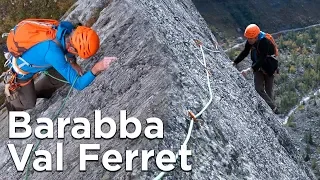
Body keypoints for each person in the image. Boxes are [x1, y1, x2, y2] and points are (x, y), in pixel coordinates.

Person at [3, 20, 117, 111]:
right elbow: (78, 84)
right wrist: (97, 68)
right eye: (76, 52)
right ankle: (12, 102)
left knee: (65, 75)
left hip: (42, 60)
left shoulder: (67, 28)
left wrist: (73, 63)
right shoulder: (53, 53)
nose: (75, 54)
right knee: (29, 103)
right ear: (72, 48)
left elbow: (68, 49)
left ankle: (37, 91)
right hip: (22, 73)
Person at [232, 24, 279, 114]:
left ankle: (272, 111)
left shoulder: (264, 42)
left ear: (256, 36)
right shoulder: (250, 41)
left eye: (251, 38)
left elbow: (262, 58)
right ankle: (273, 108)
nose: (249, 40)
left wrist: (249, 70)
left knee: (268, 92)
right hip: (258, 67)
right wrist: (235, 62)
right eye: (248, 38)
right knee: (258, 88)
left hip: (269, 67)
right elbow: (245, 52)